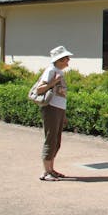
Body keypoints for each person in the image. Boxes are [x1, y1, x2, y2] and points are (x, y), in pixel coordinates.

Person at [37, 45, 73, 181]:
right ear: (59, 60)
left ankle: (51, 169)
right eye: (66, 59)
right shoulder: (51, 70)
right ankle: (46, 172)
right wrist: (54, 82)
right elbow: (40, 89)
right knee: (51, 139)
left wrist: (63, 114)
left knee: (56, 141)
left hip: (58, 109)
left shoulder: (58, 71)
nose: (68, 62)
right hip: (51, 108)